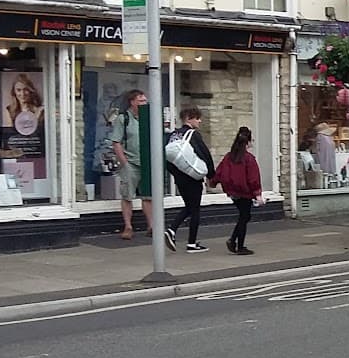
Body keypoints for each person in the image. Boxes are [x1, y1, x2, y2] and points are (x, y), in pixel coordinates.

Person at [164, 107, 215, 253]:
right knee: (195, 209)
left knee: (189, 207)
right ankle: (187, 241)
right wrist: (211, 175)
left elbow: (167, 159)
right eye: (197, 118)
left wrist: (177, 175)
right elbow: (205, 155)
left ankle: (174, 232)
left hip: (180, 179)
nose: (200, 121)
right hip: (193, 179)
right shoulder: (193, 134)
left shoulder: (173, 135)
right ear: (188, 118)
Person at [108, 89, 153, 240]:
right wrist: (124, 163)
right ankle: (128, 227)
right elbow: (116, 142)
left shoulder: (149, 118)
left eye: (145, 101)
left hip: (146, 162)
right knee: (127, 195)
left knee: (148, 196)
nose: (144, 103)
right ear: (132, 102)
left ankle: (151, 226)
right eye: (141, 101)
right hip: (130, 162)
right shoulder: (123, 119)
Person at [215, 127, 263, 255]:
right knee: (244, 217)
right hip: (245, 192)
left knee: (244, 216)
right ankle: (238, 245)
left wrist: (213, 182)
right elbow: (253, 178)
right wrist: (258, 194)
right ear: (247, 142)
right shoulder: (249, 159)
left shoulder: (229, 156)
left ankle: (233, 241)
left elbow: (219, 172)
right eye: (252, 140)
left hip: (233, 192)